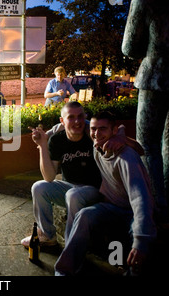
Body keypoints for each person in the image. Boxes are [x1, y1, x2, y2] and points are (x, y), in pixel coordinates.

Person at [21, 101, 144, 249]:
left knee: (73, 195)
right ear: (62, 121)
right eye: (71, 117)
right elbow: (49, 177)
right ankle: (47, 235)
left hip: (95, 190)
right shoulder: (57, 140)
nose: (77, 121)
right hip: (70, 186)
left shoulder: (93, 135)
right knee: (38, 187)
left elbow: (138, 149)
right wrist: (42, 146)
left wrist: (121, 137)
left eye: (80, 116)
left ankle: (72, 245)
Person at [121, 0, 169, 220]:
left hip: (154, 77)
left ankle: (156, 204)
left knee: (148, 143)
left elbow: (129, 47)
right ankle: (168, 197)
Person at [54, 111, 157, 276]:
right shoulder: (97, 147)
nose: (96, 133)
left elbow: (141, 199)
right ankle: (64, 271)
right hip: (111, 207)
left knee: (139, 247)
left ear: (113, 131)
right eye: (94, 129)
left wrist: (140, 241)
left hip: (131, 212)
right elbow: (72, 125)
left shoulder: (125, 157)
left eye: (102, 129)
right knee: (84, 215)